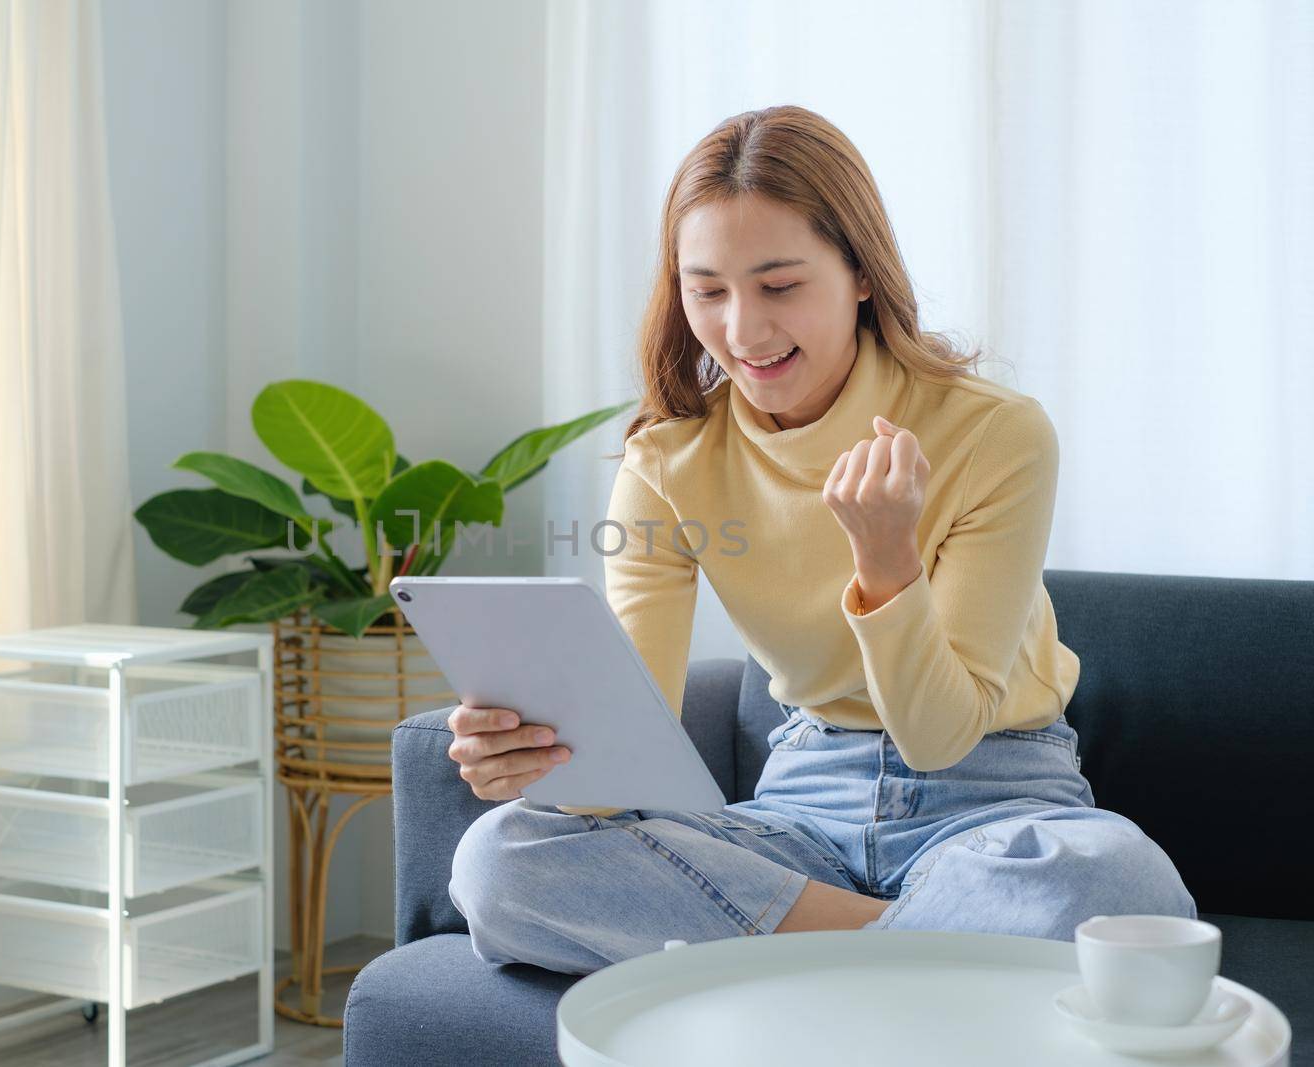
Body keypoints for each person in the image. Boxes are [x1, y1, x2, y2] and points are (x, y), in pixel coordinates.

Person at [443, 104, 1195, 976]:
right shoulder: (666, 460)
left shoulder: (997, 432)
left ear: (861, 274)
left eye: (780, 284)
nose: (742, 330)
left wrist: (886, 563)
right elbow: (629, 747)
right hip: (798, 811)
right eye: (708, 289)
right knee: (500, 859)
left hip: (1001, 795)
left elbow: (939, 736)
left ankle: (792, 963)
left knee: (1114, 883)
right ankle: (915, 953)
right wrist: (539, 760)